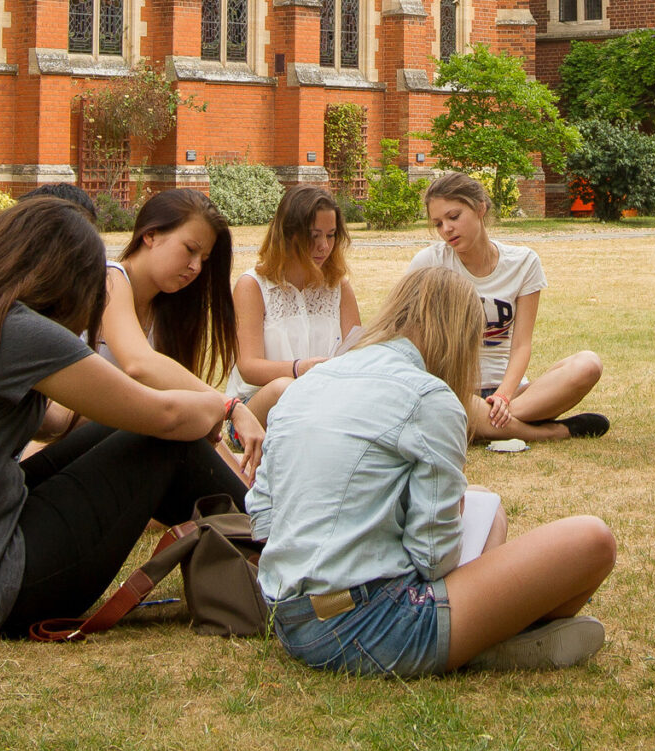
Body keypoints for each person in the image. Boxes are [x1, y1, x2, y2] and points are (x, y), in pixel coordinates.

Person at [0, 198, 245, 640]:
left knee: (128, 425)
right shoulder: (15, 329)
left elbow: (56, 424)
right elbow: (167, 417)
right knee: (166, 443)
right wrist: (227, 408)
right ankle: (276, 541)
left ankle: (256, 537)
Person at [252, 266, 619, 675]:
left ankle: (481, 638)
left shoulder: (308, 384)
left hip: (287, 615)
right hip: (370, 623)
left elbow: (263, 518)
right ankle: (485, 644)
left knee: (488, 504)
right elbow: (433, 557)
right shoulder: (429, 396)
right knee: (592, 540)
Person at [76, 188, 267, 477]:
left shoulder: (166, 310)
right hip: (76, 449)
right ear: (150, 235)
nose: (195, 267)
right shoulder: (109, 279)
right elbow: (138, 364)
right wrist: (231, 407)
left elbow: (192, 420)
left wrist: (244, 487)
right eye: (190, 249)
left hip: (129, 445)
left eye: (203, 259)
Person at [409, 171, 608, 443]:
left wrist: (504, 394)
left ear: (481, 208)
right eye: (438, 223)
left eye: (453, 217)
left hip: (513, 394)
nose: (446, 229)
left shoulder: (523, 262)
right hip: (455, 390)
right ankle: (553, 431)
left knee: (588, 364)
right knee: (448, 405)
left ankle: (488, 424)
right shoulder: (429, 263)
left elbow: (521, 345)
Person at [228, 186, 363, 418]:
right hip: (258, 407)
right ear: (289, 235)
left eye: (331, 235)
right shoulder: (253, 286)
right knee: (284, 389)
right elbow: (248, 367)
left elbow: (357, 354)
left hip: (324, 400)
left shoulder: (339, 287)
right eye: (314, 236)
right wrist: (299, 369)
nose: (324, 246)